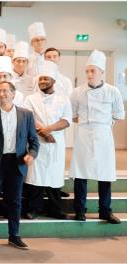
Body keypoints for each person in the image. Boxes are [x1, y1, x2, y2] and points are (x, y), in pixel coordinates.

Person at [0, 81, 40, 249]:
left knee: (15, 201)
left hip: (17, 162)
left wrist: (31, 155)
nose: (1, 94)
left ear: (13, 94)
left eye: (5, 91)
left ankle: (14, 236)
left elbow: (34, 141)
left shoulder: (26, 114)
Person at [70, 50, 124, 224]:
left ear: (102, 72)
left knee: (105, 174)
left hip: (104, 135)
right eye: (87, 71)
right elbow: (72, 114)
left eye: (93, 71)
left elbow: (119, 114)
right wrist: (87, 123)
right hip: (84, 134)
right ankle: (80, 211)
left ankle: (105, 211)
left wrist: (102, 123)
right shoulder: (77, 92)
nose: (89, 74)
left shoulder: (112, 91)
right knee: (80, 174)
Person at [22, 61, 71, 220]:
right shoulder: (31, 99)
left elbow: (66, 120)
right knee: (35, 176)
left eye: (46, 79)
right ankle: (34, 209)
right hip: (37, 142)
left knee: (54, 176)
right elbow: (28, 118)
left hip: (56, 142)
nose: (42, 81)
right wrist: (43, 133)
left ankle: (55, 209)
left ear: (54, 80)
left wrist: (49, 130)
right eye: (41, 78)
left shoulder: (64, 99)